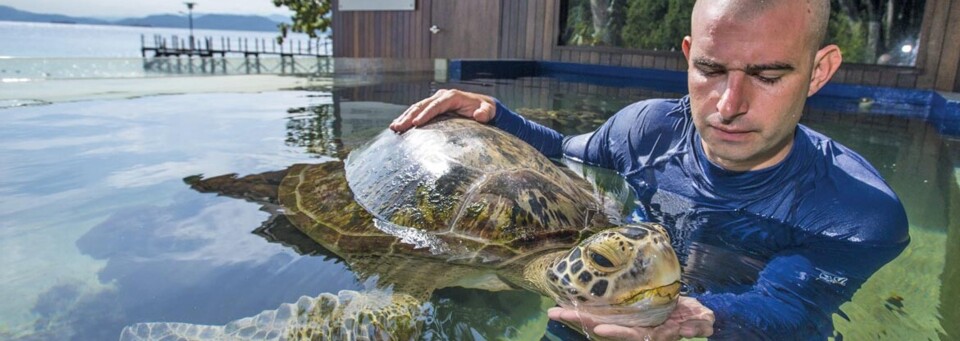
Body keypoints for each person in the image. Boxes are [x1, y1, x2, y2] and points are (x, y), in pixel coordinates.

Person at [389, 0, 909, 339]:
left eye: (768, 75)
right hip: (609, 301)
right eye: (709, 70)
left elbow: (793, 308)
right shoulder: (646, 131)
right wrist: (497, 116)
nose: (729, 104)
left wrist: (703, 318)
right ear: (687, 56)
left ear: (820, 71)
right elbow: (567, 152)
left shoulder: (856, 213)